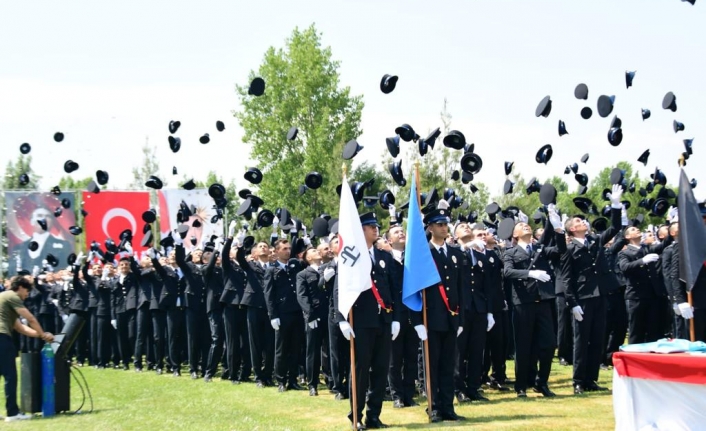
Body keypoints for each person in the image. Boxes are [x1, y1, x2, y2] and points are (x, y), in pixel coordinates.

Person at [334, 212, 401, 430]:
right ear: (360, 229)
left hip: (383, 320)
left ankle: (374, 415)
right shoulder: (350, 256)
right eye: (370, 226)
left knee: (381, 370)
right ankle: (356, 416)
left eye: (376, 226)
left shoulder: (384, 256)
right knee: (360, 370)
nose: (376, 229)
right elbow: (339, 290)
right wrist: (342, 319)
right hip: (361, 321)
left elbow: (393, 289)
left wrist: (396, 319)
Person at [559, 184, 623, 395]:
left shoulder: (594, 240)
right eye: (577, 221)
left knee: (597, 338)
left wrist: (615, 206)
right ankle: (578, 380)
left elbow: (614, 229)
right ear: (571, 229)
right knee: (581, 340)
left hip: (600, 295)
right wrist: (573, 303)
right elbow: (567, 279)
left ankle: (591, 378)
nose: (582, 222)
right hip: (583, 298)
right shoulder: (569, 249)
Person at [502, 207, 565, 398]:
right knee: (523, 346)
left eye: (527, 224)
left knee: (548, 344)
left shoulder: (540, 249)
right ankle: (521, 385)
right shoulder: (510, 252)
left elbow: (561, 250)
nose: (526, 226)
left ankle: (541, 382)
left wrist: (558, 230)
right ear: (515, 234)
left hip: (544, 301)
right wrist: (530, 273)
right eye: (521, 225)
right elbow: (507, 272)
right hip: (523, 302)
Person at [414, 208, 465, 422]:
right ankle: (433, 407)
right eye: (439, 224)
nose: (444, 228)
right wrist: (417, 321)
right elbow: (415, 288)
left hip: (451, 317)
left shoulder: (456, 253)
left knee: (448, 366)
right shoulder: (423, 254)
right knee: (431, 367)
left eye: (446, 224)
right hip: (431, 318)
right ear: (430, 227)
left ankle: (448, 407)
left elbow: (461, 288)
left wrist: (460, 318)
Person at [0, 276, 54, 422]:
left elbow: (20, 327)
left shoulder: (4, 297)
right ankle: (13, 413)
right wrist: (43, 334)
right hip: (2, 339)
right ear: (21, 287)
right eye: (27, 291)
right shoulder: (13, 296)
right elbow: (30, 319)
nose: (27, 295)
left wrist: (41, 336)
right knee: (10, 376)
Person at [384, 212, 418, 409]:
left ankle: (409, 394)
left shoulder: (413, 259)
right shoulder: (386, 259)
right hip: (394, 314)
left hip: (412, 313)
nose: (401, 233)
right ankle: (396, 395)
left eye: (403, 230)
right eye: (397, 232)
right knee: (394, 359)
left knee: (411, 356)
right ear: (389, 240)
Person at [618, 225, 672, 344]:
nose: (637, 229)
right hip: (636, 295)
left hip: (652, 294)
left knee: (653, 328)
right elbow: (625, 267)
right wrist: (642, 261)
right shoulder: (625, 252)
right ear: (627, 236)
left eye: (637, 228)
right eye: (633, 229)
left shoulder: (647, 248)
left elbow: (664, 244)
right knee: (636, 329)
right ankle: (635, 357)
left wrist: (671, 230)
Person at [264, 239, 305, 392]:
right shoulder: (271, 270)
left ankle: (293, 379)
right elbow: (269, 294)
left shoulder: (294, 266)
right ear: (277, 251)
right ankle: (281, 379)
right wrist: (273, 315)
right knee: (281, 348)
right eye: (284, 249)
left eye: (289, 248)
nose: (288, 251)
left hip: (296, 311)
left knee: (295, 347)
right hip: (282, 313)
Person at [296, 247, 328, 396]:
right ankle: (312, 383)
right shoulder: (303, 274)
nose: (317, 252)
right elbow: (302, 296)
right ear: (307, 258)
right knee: (313, 352)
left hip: (329, 314)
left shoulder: (327, 269)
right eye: (313, 251)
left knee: (329, 351)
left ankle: (332, 381)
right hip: (314, 315)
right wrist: (310, 315)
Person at [14, 206, 73, 276]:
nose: (44, 219)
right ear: (31, 221)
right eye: (39, 215)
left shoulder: (64, 245)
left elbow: (66, 269)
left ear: (52, 221)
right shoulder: (19, 248)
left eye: (48, 216)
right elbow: (12, 271)